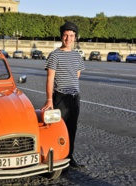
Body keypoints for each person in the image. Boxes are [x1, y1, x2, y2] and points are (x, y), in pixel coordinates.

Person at [41, 21, 86, 169]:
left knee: (72, 129)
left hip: (74, 98)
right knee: (58, 130)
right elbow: (50, 78)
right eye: (66, 35)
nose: (68, 38)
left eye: (71, 35)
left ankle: (69, 157)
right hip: (60, 97)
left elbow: (77, 75)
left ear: (75, 38)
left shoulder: (77, 56)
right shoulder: (54, 55)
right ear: (61, 37)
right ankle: (57, 160)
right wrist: (49, 99)